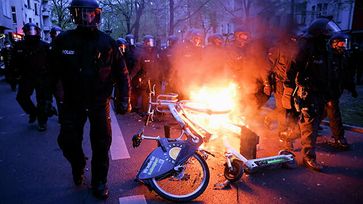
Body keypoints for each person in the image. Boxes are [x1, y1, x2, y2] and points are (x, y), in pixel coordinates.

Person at [51, 0, 131, 199]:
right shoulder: (63, 41)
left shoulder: (107, 42)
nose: (86, 16)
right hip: (72, 102)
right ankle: (78, 165)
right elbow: (51, 73)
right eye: (82, 12)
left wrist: (124, 98)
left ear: (96, 14)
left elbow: (122, 74)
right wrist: (49, 101)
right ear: (75, 15)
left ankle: (99, 181)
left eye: (90, 12)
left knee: (102, 144)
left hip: (98, 102)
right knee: (67, 141)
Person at [284, 18, 341, 171]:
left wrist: (330, 92)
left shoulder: (325, 48)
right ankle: (309, 157)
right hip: (308, 92)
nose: (329, 34)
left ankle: (289, 136)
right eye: (326, 32)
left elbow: (327, 71)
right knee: (310, 124)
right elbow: (293, 67)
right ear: (319, 33)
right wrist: (288, 88)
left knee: (310, 123)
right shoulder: (306, 46)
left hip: (321, 91)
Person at [10, 23, 51, 131]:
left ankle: (42, 121)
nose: (31, 33)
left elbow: (51, 62)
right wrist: (12, 75)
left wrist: (52, 77)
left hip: (42, 76)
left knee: (42, 100)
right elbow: (13, 62)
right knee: (21, 97)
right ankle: (33, 112)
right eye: (29, 31)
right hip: (26, 76)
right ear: (25, 32)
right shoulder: (19, 46)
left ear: (38, 31)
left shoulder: (44, 46)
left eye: (33, 31)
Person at [324, 32, 357, 150]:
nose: (344, 46)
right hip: (327, 91)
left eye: (344, 43)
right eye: (341, 43)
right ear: (334, 44)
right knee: (333, 113)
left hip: (336, 90)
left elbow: (346, 75)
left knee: (321, 114)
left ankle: (298, 131)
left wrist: (352, 88)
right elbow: (325, 75)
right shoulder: (328, 57)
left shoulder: (343, 57)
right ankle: (338, 137)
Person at [129, 34, 160, 114]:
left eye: (152, 42)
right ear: (146, 43)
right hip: (146, 78)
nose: (151, 44)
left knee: (157, 94)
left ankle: (157, 109)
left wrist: (163, 75)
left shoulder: (155, 52)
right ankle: (145, 111)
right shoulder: (141, 54)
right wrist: (131, 76)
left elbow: (160, 64)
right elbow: (137, 66)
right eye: (150, 42)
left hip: (155, 77)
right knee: (145, 95)